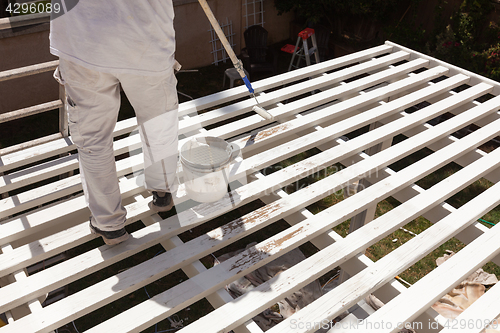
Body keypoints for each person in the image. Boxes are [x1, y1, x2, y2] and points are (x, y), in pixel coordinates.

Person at [50, 1, 179, 245]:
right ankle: (162, 190)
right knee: (158, 126)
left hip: (82, 41)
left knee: (93, 140)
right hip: (147, 37)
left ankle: (109, 224)